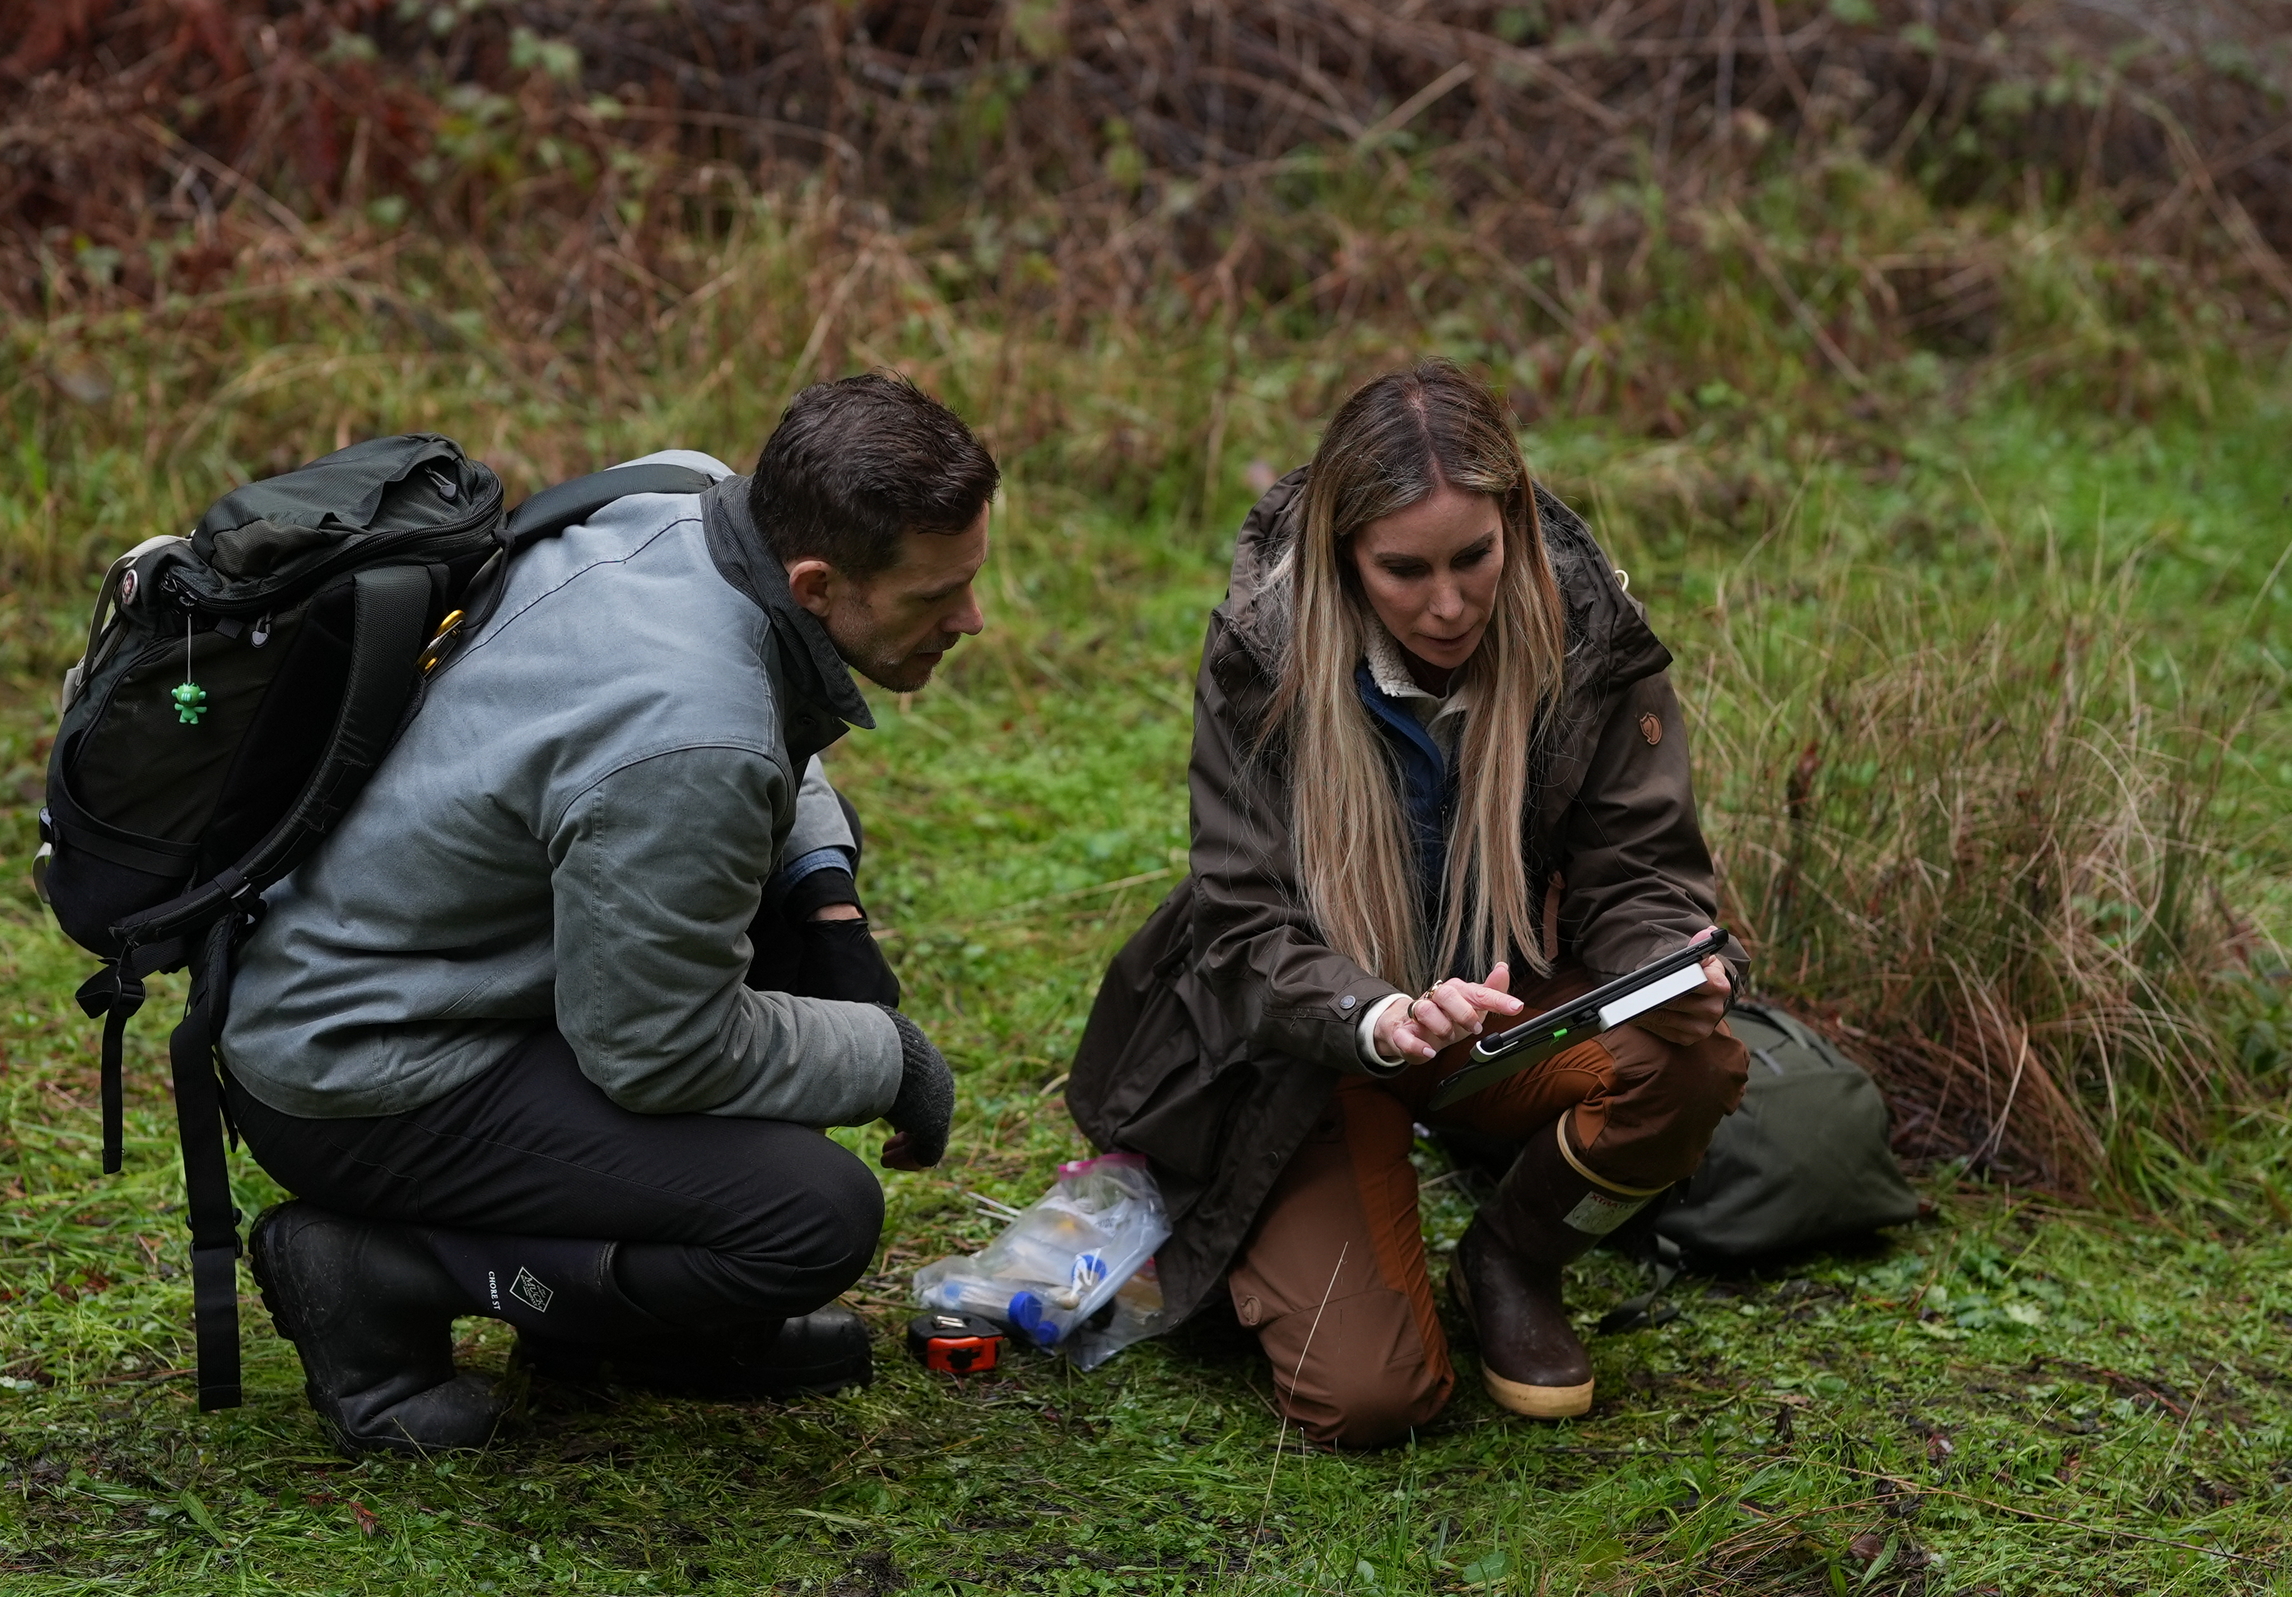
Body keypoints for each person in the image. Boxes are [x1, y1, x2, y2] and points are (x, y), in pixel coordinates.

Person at [217, 373, 994, 1454]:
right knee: (812, 1215)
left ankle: (643, 1320)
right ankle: (384, 1273)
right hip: (361, 1069)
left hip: (406, 966)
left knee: (781, 907)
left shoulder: (691, 497)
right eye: (933, 599)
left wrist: (828, 900)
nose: (972, 619)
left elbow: (765, 744)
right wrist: (891, 1056)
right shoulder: (691, 735)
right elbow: (659, 1051)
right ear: (815, 582)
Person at [1068, 360, 1749, 1445]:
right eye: (1403, 570)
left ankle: (1515, 1257)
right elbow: (1244, 924)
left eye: (1475, 559)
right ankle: (1309, 1213)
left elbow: (1639, 863)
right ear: (1347, 557)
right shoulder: (1264, 649)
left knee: (1694, 1063)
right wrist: (1378, 1019)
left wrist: (1671, 956)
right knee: (1373, 1399)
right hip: (1319, 1050)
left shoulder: (1589, 628)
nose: (1447, 604)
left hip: (1510, 1009)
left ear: (1515, 523)